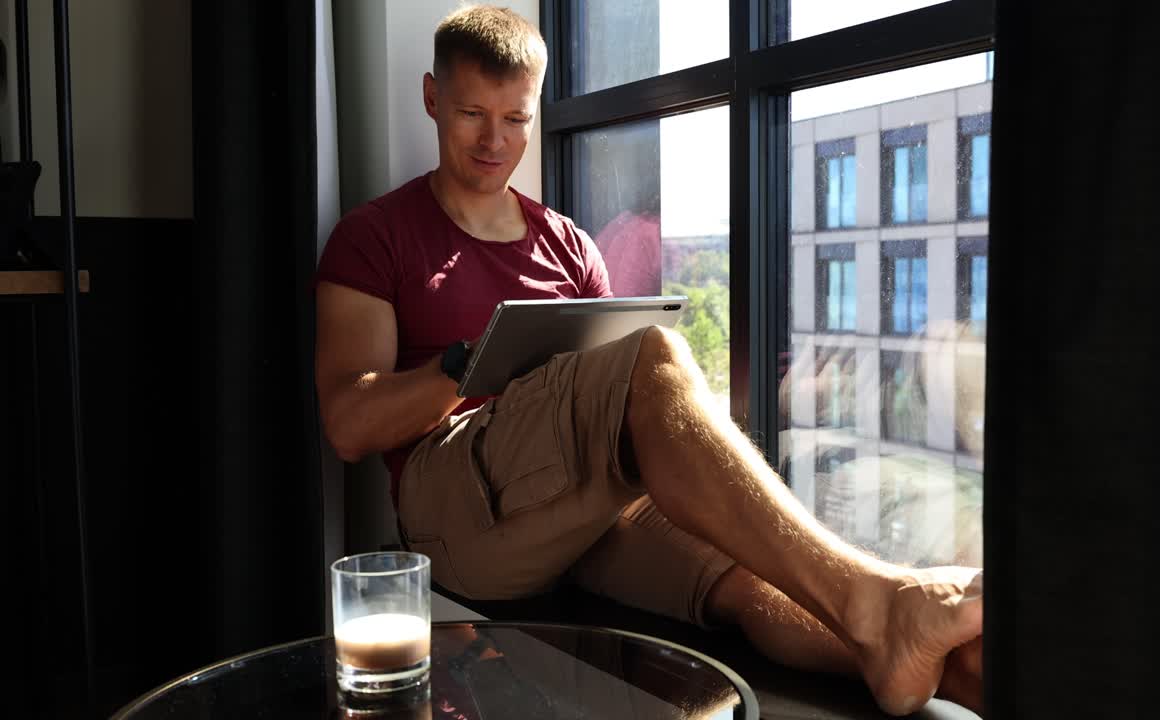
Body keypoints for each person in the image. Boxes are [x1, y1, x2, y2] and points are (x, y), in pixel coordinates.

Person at [313, 6, 983, 716]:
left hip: (581, 500)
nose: (494, 140)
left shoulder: (569, 245)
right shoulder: (374, 236)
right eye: (473, 113)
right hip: (456, 512)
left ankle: (972, 667)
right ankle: (882, 604)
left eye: (516, 118)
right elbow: (349, 426)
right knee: (655, 351)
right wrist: (465, 366)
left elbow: (626, 404)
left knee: (756, 582)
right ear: (431, 98)